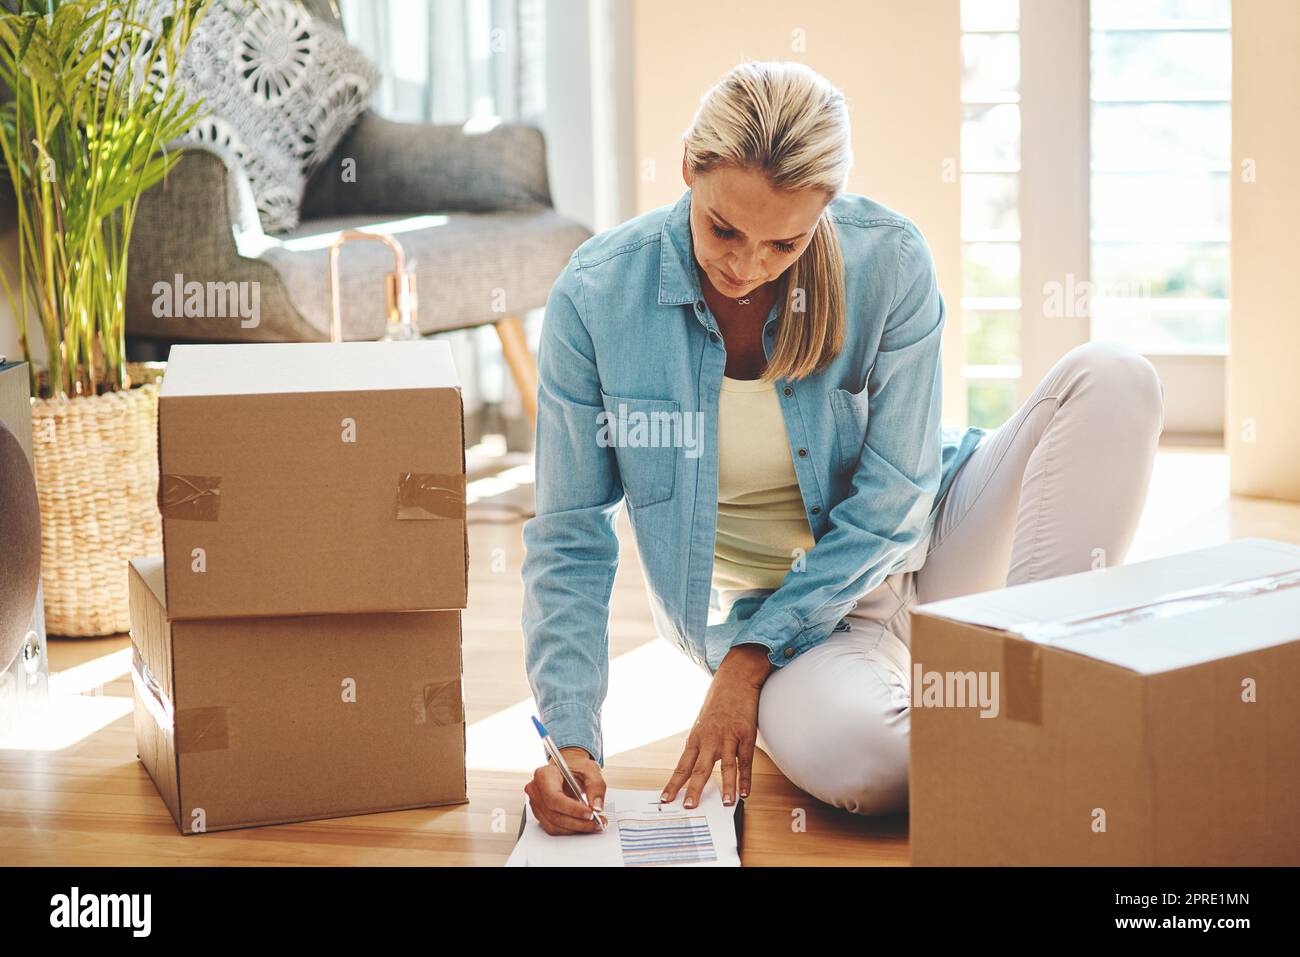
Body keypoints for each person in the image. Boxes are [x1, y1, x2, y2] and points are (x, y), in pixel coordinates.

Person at [520, 60, 1163, 834]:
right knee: (871, 770)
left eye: (783, 244)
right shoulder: (596, 299)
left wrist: (747, 659)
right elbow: (570, 535)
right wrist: (573, 737)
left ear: (826, 209)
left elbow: (899, 496)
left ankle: (1046, 697)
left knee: (1116, 376)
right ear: (689, 165)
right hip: (803, 630)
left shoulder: (886, 260)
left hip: (941, 546)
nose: (745, 266)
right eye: (724, 227)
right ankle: (1001, 724)